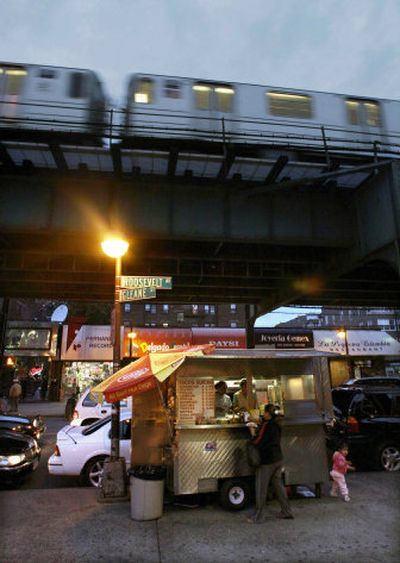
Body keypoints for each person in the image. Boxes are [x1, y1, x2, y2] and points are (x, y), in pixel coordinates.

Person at [246, 403, 293, 523]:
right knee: (278, 486)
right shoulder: (277, 423)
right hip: (278, 459)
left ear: (268, 413)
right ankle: (286, 511)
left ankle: (259, 516)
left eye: (265, 412)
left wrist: (252, 431)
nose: (263, 414)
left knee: (261, 487)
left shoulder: (267, 425)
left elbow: (257, 441)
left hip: (267, 461)